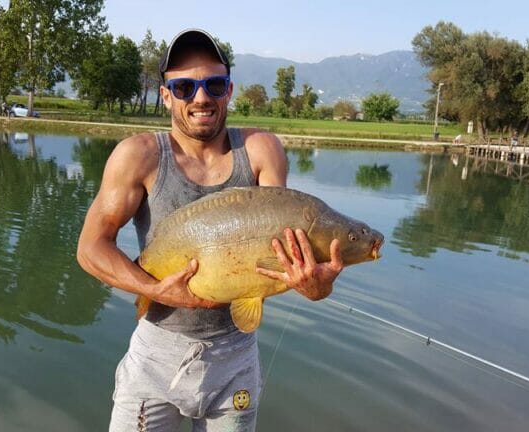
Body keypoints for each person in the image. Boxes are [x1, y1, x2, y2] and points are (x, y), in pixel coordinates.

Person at [76, 28, 343, 432]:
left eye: (213, 85)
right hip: (156, 353)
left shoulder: (259, 150)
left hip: (234, 358)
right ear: (166, 95)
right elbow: (90, 248)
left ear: (229, 91)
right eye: (184, 87)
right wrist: (152, 289)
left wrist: (316, 286)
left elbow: (288, 250)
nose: (201, 98)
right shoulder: (139, 156)